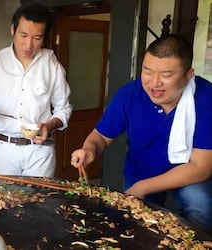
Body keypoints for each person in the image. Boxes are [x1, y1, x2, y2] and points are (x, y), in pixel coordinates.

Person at [71, 34, 212, 235]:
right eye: (147, 71)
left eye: (166, 74)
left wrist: (142, 188)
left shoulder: (206, 98)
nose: (154, 83)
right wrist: (88, 149)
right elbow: (101, 136)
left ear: (188, 75)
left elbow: (201, 168)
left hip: (186, 174)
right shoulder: (130, 94)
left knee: (200, 205)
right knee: (134, 227)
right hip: (142, 171)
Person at [0, 3, 72, 177]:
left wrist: (48, 126)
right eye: (23, 35)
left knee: (39, 202)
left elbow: (63, 109)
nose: (29, 45)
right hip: (4, 150)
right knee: (4, 203)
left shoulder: (52, 66)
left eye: (37, 38)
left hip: (40, 152)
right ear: (13, 29)